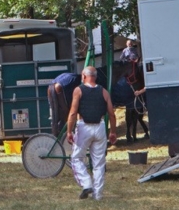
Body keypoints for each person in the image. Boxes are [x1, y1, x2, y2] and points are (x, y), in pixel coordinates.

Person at [66, 66, 118, 200]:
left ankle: (86, 183)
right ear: (95, 77)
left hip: (84, 127)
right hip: (100, 127)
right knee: (99, 163)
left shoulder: (78, 91)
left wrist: (69, 131)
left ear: (83, 76)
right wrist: (113, 132)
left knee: (77, 158)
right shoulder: (104, 92)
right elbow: (112, 114)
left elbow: (72, 113)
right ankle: (98, 195)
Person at [125, 54, 150, 143]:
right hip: (133, 92)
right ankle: (131, 134)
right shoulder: (131, 69)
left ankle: (137, 134)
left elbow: (146, 84)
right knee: (131, 115)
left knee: (137, 116)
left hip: (140, 92)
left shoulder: (139, 69)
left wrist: (140, 92)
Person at [47, 72, 81, 136]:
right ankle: (65, 132)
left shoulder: (72, 76)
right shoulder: (78, 81)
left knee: (55, 114)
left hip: (51, 86)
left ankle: (56, 131)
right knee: (67, 113)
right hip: (61, 86)